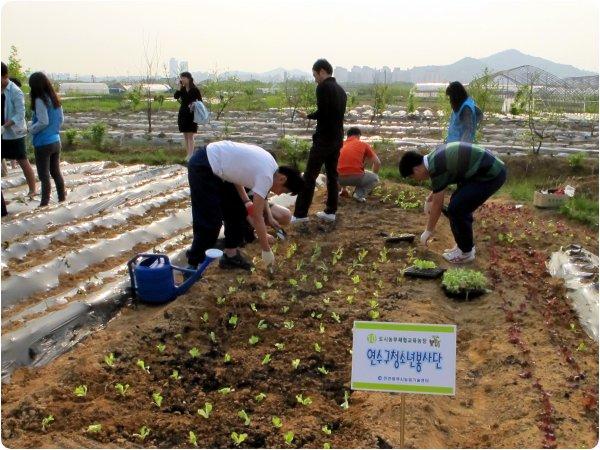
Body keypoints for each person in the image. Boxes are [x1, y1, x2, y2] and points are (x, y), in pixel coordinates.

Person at [186, 140, 304, 271]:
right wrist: (266, 250)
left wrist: (246, 201)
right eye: (284, 190)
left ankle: (231, 254)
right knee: (210, 221)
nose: (279, 193)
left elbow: (237, 174)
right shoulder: (267, 176)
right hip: (204, 165)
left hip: (220, 168)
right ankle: (193, 264)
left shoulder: (271, 166)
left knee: (237, 211)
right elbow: (257, 217)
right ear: (282, 179)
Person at [399, 142, 506, 264]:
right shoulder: (433, 158)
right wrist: (430, 197)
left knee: (458, 208)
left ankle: (466, 252)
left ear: (416, 169)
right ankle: (463, 246)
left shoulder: (436, 167)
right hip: (479, 172)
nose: (416, 180)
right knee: (457, 204)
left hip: (491, 174)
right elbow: (440, 185)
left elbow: (437, 205)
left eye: (412, 177)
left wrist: (428, 230)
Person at [292, 59, 347, 224]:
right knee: (332, 175)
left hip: (324, 139)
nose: (315, 79)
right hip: (337, 138)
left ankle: (300, 214)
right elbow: (330, 113)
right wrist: (309, 115)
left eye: (315, 75)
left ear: (322, 71)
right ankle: (331, 211)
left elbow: (323, 113)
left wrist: (308, 116)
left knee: (309, 176)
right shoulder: (341, 91)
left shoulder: (323, 87)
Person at [28, 71, 66, 207]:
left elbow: (43, 121)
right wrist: (53, 130)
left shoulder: (40, 100)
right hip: (56, 140)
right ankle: (62, 198)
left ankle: (44, 203)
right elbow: (61, 119)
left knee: (44, 175)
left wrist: (30, 128)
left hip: (43, 143)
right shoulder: (54, 97)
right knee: (55, 172)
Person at [1, 62, 37, 198]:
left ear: (5, 76)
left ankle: (32, 190)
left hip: (14, 133)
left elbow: (20, 114)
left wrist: (5, 126)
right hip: (1, 133)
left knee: (22, 160)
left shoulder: (15, 91)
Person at [337, 127, 381, 202]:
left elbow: (341, 164)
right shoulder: (363, 144)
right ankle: (358, 195)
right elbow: (377, 163)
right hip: (356, 177)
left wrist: (343, 189)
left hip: (338, 179)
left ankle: (340, 191)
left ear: (347, 136)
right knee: (375, 178)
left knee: (342, 169)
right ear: (359, 136)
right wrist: (374, 175)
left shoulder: (340, 145)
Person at [174, 72, 202, 159]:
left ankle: (191, 155)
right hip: (183, 114)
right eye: (181, 78)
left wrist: (194, 104)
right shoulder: (182, 89)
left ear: (188, 78)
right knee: (185, 135)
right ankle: (188, 154)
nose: (181, 79)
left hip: (191, 115)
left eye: (183, 78)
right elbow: (175, 96)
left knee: (190, 135)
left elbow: (200, 101)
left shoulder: (195, 89)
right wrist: (179, 87)